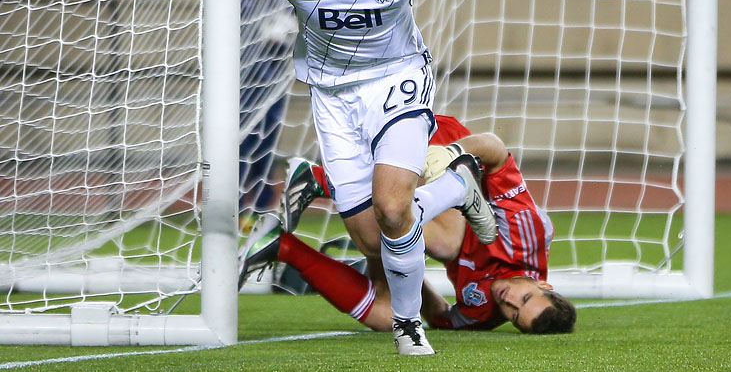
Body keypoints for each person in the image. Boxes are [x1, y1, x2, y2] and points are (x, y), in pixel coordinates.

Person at [25, 0, 643, 353]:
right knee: (369, 231)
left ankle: (408, 325)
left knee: (396, 203)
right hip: (334, 98)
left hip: (399, 85)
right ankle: (453, 191)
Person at [239, 115, 576, 334]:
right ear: (543, 285)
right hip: (434, 149)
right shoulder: (529, 235)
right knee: (447, 242)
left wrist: (401, 270)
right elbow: (495, 150)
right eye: (525, 297)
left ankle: (279, 245)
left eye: (515, 315)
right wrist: (449, 153)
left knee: (391, 316)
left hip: (409, 215)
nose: (510, 302)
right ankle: (320, 179)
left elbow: (439, 316)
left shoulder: (483, 314)